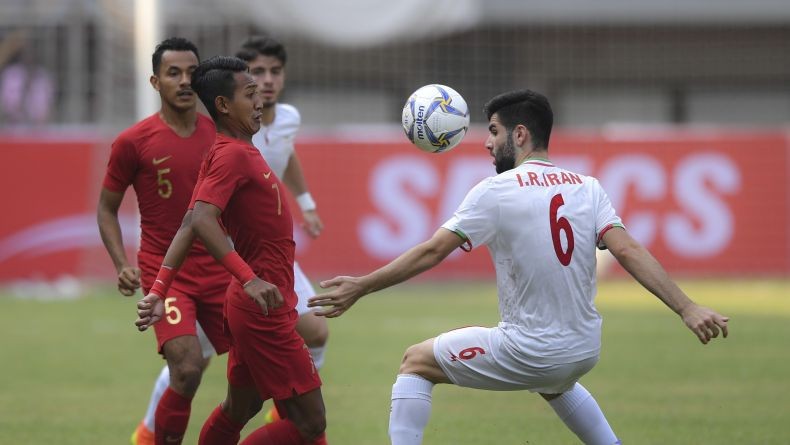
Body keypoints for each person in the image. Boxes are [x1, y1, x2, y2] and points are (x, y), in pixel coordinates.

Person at [308, 89, 730, 445]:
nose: (487, 143)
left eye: (493, 131)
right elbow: (629, 250)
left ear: (520, 134)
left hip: (532, 349)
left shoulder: (495, 191)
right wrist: (687, 308)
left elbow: (432, 252)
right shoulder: (589, 186)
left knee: (415, 363)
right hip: (584, 349)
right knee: (555, 383)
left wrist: (361, 286)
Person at [135, 56, 327, 445]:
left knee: (240, 409)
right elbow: (202, 221)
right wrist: (249, 278)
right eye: (249, 94)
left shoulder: (228, 150)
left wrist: (158, 290)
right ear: (223, 105)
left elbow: (190, 222)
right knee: (310, 424)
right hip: (262, 308)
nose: (260, 102)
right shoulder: (232, 155)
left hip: (256, 303)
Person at [97, 37, 231, 445]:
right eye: (174, 73)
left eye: (192, 72)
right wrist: (121, 263)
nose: (186, 81)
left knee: (257, 368)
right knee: (187, 368)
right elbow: (106, 208)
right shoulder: (133, 142)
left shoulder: (222, 134)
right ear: (156, 82)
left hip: (219, 266)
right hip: (166, 273)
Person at [235, 34, 329, 423]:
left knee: (317, 333)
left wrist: (307, 205)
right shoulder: (232, 124)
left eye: (275, 71)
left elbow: (286, 155)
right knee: (194, 359)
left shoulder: (288, 118)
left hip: (272, 249)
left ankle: (287, 421)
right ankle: (149, 430)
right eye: (258, 72)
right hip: (230, 252)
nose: (268, 79)